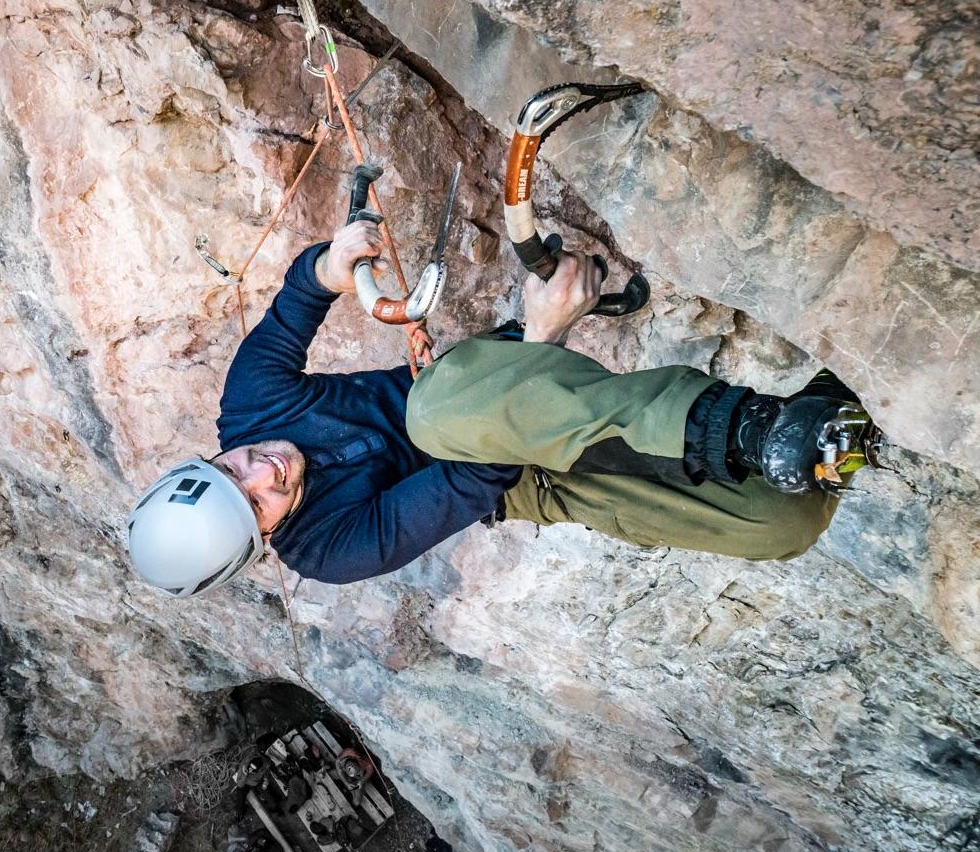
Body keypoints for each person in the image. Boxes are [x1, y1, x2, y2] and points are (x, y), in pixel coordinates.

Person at [126, 221, 879, 595]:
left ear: (211, 454)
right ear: (265, 545)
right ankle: (849, 386)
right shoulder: (327, 551)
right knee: (783, 522)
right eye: (259, 503)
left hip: (462, 390)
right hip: (518, 480)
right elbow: (466, 482)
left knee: (431, 413)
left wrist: (334, 258)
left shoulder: (252, 407)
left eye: (236, 466)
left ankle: (750, 426)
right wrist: (544, 331)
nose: (269, 469)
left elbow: (296, 307)